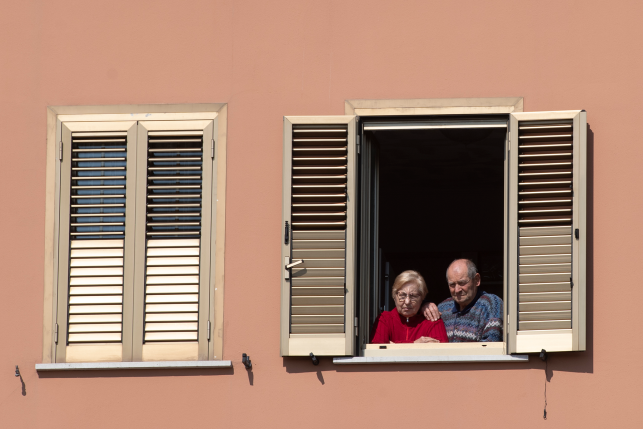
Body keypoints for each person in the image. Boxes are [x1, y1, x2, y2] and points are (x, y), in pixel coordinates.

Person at [422, 259, 503, 342]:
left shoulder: (491, 304)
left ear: (477, 280)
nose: (457, 290)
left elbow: (491, 344)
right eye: (452, 285)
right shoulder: (443, 307)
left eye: (462, 283)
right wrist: (424, 305)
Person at [371, 270, 448, 344]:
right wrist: (414, 344)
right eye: (402, 295)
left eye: (413, 296)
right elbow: (377, 349)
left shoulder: (432, 319)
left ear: (422, 298)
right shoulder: (384, 319)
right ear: (394, 296)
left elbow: (441, 350)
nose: (407, 302)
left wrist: (393, 345)